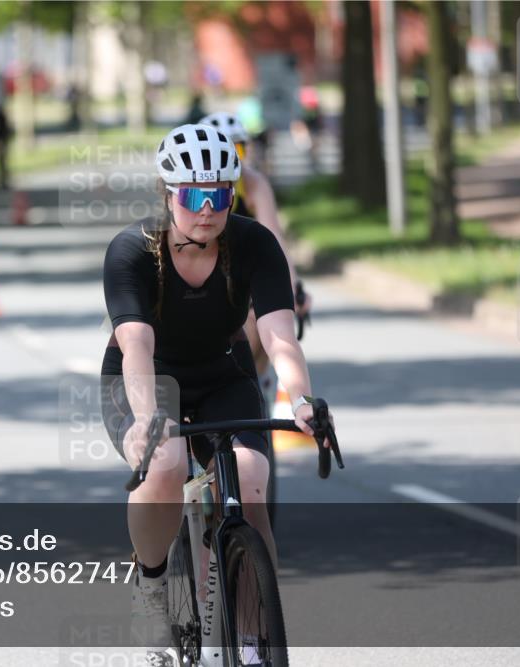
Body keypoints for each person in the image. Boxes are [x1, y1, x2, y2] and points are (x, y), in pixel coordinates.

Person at [101, 124, 333, 664]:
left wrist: (300, 400)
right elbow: (135, 344)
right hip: (145, 380)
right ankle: (152, 588)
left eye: (220, 195)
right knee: (165, 461)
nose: (207, 209)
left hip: (223, 375)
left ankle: (252, 637)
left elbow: (280, 337)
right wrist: (146, 418)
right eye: (193, 196)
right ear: (168, 194)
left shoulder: (253, 243)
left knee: (250, 480)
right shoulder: (131, 250)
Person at [199, 111, 312, 399]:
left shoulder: (253, 183)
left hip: (242, 268)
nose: (232, 159)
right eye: (224, 150)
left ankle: (254, 395)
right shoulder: (190, 189)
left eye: (238, 149)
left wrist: (293, 288)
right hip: (204, 270)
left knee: (258, 334)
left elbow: (273, 238)